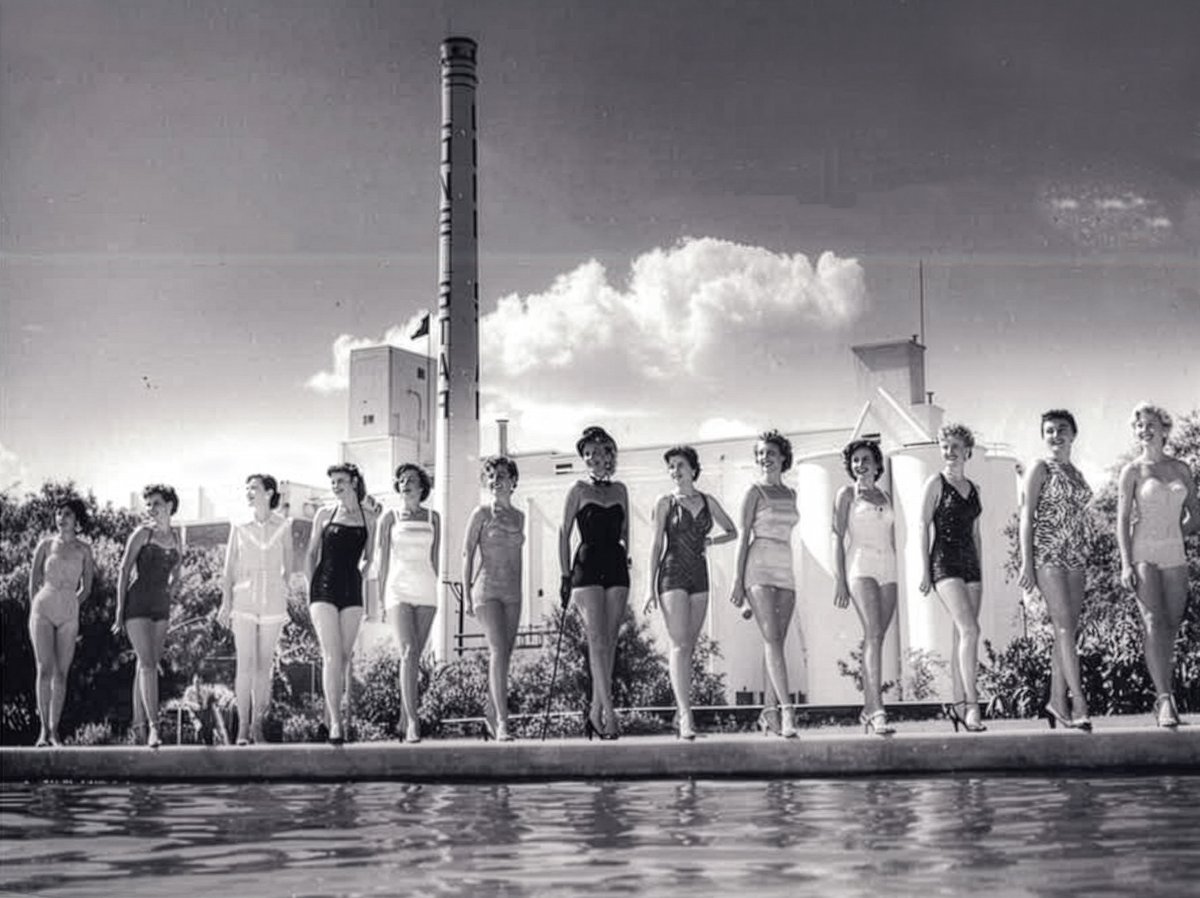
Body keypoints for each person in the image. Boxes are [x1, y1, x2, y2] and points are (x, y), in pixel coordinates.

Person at [643, 445, 737, 740]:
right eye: (671, 466)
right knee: (680, 645)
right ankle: (686, 715)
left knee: (690, 647)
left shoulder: (708, 501)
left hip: (699, 575)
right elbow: (656, 545)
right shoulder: (665, 502)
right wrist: (649, 587)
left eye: (680, 465)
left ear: (693, 469)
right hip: (672, 575)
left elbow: (732, 530)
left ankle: (678, 713)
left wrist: (711, 542)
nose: (675, 471)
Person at [1117, 402, 1199, 728]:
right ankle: (1165, 699)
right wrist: (1125, 563)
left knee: (1171, 625)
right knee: (1153, 622)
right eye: (1139, 425)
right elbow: (1122, 520)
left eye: (1151, 424)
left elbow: (1196, 512)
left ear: (1164, 429)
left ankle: (1164, 695)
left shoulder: (1181, 469)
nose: (1144, 430)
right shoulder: (1132, 471)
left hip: (1174, 552)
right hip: (1143, 551)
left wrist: (1174, 533)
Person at [1018, 410, 1094, 731]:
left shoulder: (1076, 473)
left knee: (1067, 632)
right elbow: (1026, 515)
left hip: (1075, 556)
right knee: (1063, 628)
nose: (1055, 435)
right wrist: (1026, 561)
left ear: (1073, 434)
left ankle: (1056, 700)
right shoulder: (1040, 467)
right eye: (1049, 431)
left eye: (1062, 429)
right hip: (1048, 554)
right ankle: (1079, 702)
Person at [560, 425, 630, 740]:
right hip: (586, 567)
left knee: (611, 642)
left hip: (616, 564)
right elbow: (563, 533)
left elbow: (626, 531)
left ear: (608, 453)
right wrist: (564, 574)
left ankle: (593, 713)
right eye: (586, 453)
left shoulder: (621, 490)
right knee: (597, 641)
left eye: (596, 451)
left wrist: (627, 557)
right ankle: (610, 716)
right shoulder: (577, 489)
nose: (591, 457)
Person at [731, 430, 801, 738]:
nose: (764, 459)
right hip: (758, 565)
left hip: (785, 566)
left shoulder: (792, 494)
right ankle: (787, 712)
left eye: (770, 453)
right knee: (772, 639)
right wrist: (737, 580)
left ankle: (769, 711)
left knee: (775, 644)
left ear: (782, 457)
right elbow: (743, 536)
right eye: (760, 454)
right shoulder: (754, 492)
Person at [918, 423, 986, 733]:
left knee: (963, 636)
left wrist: (980, 571)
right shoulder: (935, 483)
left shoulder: (975, 489)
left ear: (967, 451)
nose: (950, 452)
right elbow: (922, 526)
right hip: (944, 563)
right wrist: (923, 569)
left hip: (971, 565)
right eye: (945, 446)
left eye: (956, 446)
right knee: (970, 629)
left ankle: (958, 705)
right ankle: (973, 706)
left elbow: (976, 534)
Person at [218, 474, 293, 745]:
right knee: (245, 665)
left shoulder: (284, 526)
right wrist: (226, 603)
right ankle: (241, 730)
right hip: (244, 601)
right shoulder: (238, 525)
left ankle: (258, 727)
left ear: (269, 492)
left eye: (254, 488)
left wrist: (280, 592)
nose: (249, 492)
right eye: (247, 488)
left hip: (272, 601)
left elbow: (289, 567)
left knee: (264, 667)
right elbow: (228, 570)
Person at [832, 440, 898, 736]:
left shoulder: (885, 494)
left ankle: (868, 708)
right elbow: (837, 537)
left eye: (866, 459)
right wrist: (840, 579)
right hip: (861, 566)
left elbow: (890, 536)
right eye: (855, 460)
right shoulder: (846, 494)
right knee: (872, 633)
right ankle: (877, 709)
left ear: (876, 463)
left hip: (888, 568)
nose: (860, 464)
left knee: (878, 638)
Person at [305, 463, 375, 745]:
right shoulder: (324, 513)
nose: (336, 486)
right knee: (332, 655)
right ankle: (335, 723)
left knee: (343, 659)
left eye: (341, 481)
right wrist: (311, 586)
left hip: (352, 588)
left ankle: (325, 719)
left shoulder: (369, 516)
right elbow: (311, 553)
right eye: (333, 481)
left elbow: (370, 556)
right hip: (323, 588)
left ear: (354, 482)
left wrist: (363, 573)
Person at [113, 484, 182, 748]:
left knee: (145, 665)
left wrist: (172, 589)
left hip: (161, 607)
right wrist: (120, 609)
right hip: (137, 605)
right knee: (149, 663)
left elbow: (178, 569)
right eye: (149, 504)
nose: (151, 509)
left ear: (169, 506)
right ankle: (154, 727)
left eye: (156, 503)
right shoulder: (143, 533)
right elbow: (124, 569)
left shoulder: (176, 537)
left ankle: (138, 727)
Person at [463, 456, 525, 742]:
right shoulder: (481, 513)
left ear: (513, 481)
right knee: (499, 650)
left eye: (501, 474)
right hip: (486, 590)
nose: (496, 479)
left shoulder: (520, 516)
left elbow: (519, 560)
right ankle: (503, 722)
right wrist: (465, 595)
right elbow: (468, 554)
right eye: (491, 475)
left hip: (513, 593)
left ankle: (490, 716)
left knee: (504, 656)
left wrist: (520, 593)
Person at [376, 463, 440, 744]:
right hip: (397, 589)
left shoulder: (434, 517)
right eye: (401, 480)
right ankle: (414, 722)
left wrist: (439, 589)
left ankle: (403, 719)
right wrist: (379, 600)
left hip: (426, 589)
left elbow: (436, 559)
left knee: (415, 659)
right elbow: (382, 563)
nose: (405, 484)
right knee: (409, 651)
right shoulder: (388, 518)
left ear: (422, 486)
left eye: (411, 480)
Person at [28, 498, 96, 746]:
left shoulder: (84, 549)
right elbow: (33, 579)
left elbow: (87, 587)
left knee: (61, 673)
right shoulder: (45, 545)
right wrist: (37, 606)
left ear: (76, 518)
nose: (61, 518)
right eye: (58, 513)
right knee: (44, 669)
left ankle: (55, 731)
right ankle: (43, 731)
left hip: (69, 612)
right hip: (43, 608)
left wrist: (71, 602)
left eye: (67, 513)